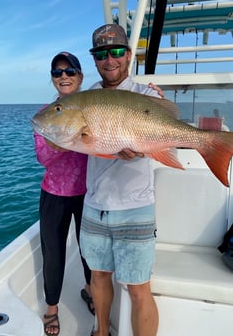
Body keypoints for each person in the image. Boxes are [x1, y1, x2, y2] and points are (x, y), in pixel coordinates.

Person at [80, 24, 161, 336]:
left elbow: (157, 134)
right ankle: (101, 332)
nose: (109, 59)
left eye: (115, 51)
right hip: (95, 206)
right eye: (101, 53)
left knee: (139, 288)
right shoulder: (86, 100)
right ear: (95, 60)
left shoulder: (146, 94)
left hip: (136, 206)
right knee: (98, 277)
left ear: (128, 55)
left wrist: (142, 148)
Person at [34, 52, 94, 336]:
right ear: (52, 79)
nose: (64, 76)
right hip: (54, 194)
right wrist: (67, 133)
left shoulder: (92, 106)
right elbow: (43, 157)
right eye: (57, 73)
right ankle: (52, 308)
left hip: (88, 193)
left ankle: (89, 289)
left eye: (70, 71)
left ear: (80, 77)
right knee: (54, 254)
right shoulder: (46, 114)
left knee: (89, 251)